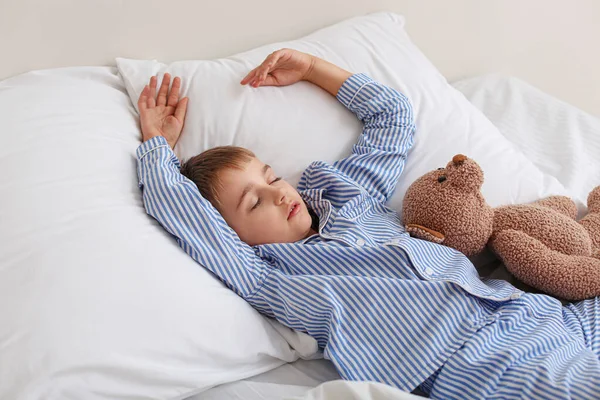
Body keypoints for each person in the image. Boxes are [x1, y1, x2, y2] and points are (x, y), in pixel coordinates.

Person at [135, 48, 600, 399]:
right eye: (255, 203)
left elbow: (392, 117)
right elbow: (183, 213)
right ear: (232, 234)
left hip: (535, 312)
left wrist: (315, 70)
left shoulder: (350, 197)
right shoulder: (269, 275)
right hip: (480, 363)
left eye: (272, 176)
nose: (279, 192)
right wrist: (158, 147)